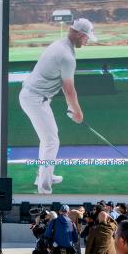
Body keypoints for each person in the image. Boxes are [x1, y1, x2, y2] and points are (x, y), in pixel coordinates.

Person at [18, 18, 95, 194]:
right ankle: (44, 188)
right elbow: (69, 89)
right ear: (80, 34)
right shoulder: (66, 55)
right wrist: (78, 112)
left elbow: (62, 82)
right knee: (51, 141)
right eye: (87, 38)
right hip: (35, 99)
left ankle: (44, 175)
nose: (87, 41)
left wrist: (72, 107)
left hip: (36, 97)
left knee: (49, 139)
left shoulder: (61, 45)